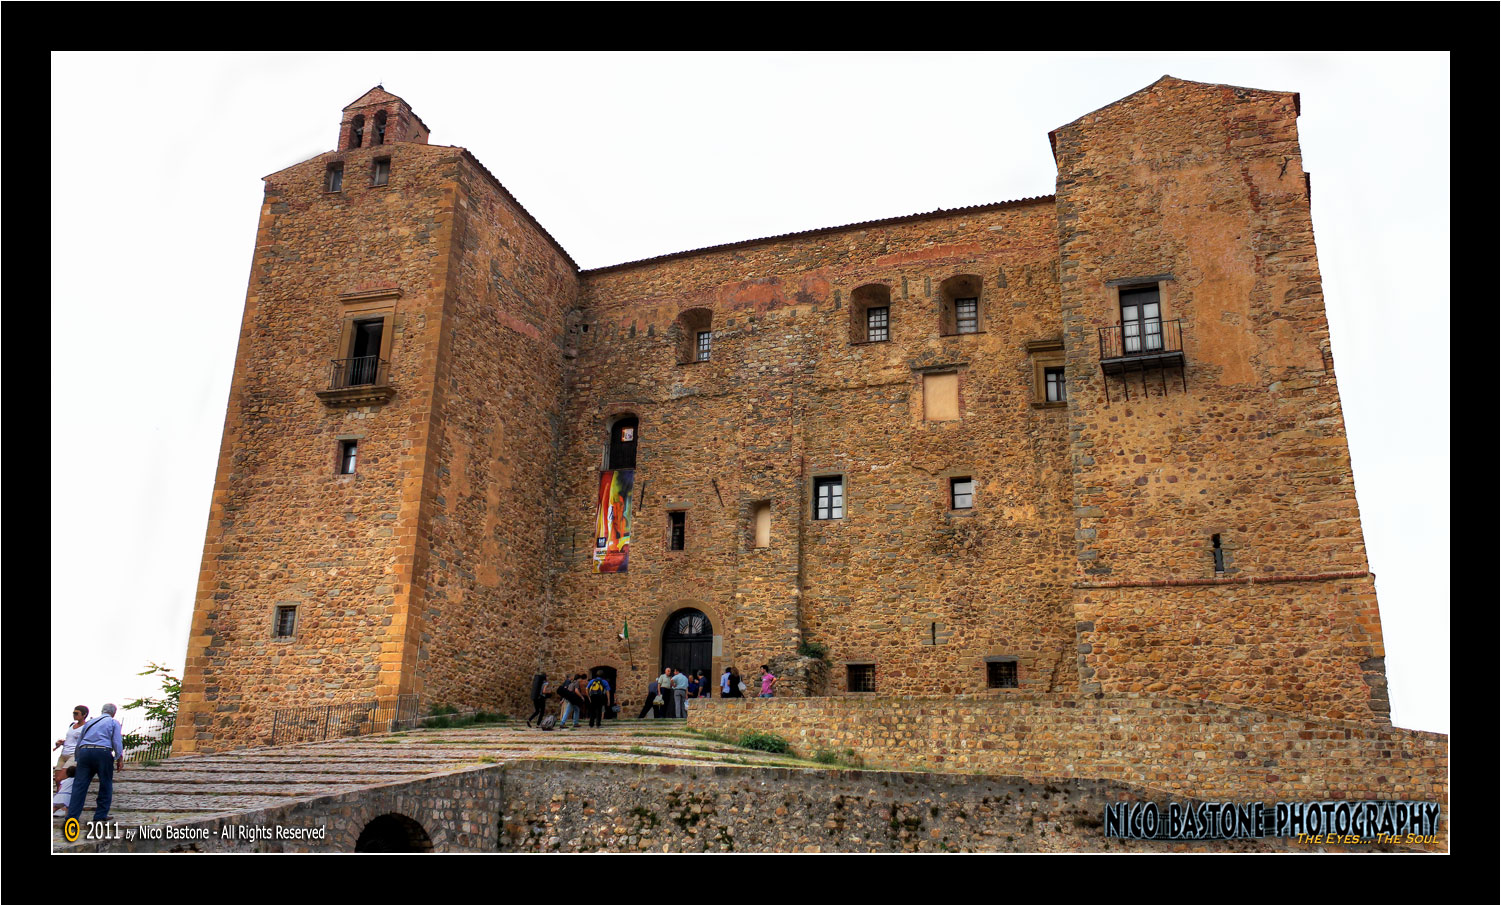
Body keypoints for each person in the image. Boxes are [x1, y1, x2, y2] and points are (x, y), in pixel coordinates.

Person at [68, 703, 125, 824]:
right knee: (105, 783)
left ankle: (72, 817)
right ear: (114, 713)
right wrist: (119, 757)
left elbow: (79, 741)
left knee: (79, 786)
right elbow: (116, 741)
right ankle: (100, 815)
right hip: (102, 752)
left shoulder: (90, 722)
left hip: (85, 751)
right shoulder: (113, 722)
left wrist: (78, 758)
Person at [54, 705, 89, 790]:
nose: (74, 715)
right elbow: (70, 739)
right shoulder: (72, 725)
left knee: (61, 778)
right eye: (73, 713)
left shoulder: (85, 727)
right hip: (64, 754)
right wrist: (61, 743)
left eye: (76, 713)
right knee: (57, 780)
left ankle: (66, 796)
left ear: (84, 715)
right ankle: (60, 797)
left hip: (73, 754)